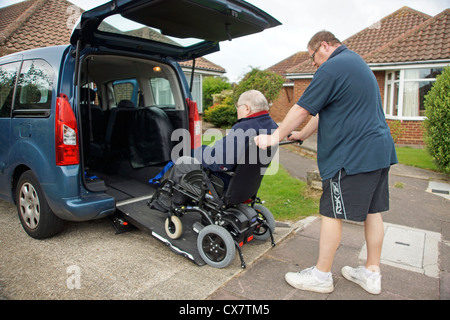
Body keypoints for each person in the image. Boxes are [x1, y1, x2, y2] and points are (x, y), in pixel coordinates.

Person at [255, 31, 398, 295]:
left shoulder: (332, 67)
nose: (313, 63)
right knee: (372, 211)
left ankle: (321, 275)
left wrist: (274, 137)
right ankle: (371, 272)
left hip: (352, 155)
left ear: (324, 45)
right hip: (379, 150)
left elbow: (301, 108)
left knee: (331, 211)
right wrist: (302, 134)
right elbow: (325, 110)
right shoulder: (355, 63)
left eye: (312, 57)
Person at [152, 89, 278, 211]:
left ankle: (169, 201)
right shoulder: (272, 127)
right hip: (247, 185)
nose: (237, 110)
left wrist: (200, 152)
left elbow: (221, 164)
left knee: (183, 162)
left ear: (246, 108)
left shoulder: (243, 128)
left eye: (238, 107)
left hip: (223, 183)